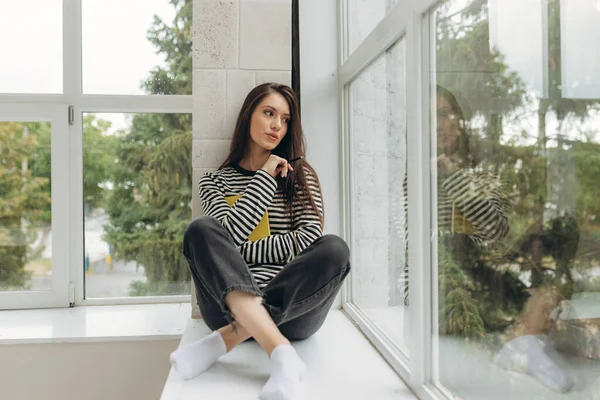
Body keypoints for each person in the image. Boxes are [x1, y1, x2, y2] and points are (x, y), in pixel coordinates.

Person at [169, 82, 351, 400]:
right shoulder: (214, 182)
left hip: (295, 312)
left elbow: (309, 239)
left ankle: (225, 340)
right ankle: (280, 351)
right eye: (269, 113)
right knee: (200, 230)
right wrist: (264, 177)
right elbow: (224, 238)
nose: (276, 125)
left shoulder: (299, 174)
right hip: (226, 306)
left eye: (285, 119)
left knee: (335, 248)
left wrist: (238, 254)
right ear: (247, 116)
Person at [412, 85, 575, 392]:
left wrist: (453, 176)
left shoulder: (482, 174)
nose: (438, 123)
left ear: (458, 121)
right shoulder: (410, 176)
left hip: (480, 292)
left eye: (444, 113)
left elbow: (496, 231)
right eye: (429, 116)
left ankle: (524, 344)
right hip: (434, 300)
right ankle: (521, 344)